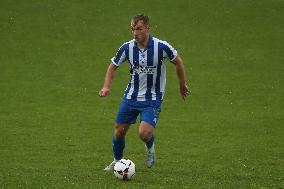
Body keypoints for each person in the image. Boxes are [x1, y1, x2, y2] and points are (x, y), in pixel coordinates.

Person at [99, 13, 190, 171]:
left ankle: (150, 149)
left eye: (139, 28)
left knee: (144, 133)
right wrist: (106, 86)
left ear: (148, 28)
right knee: (119, 131)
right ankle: (117, 161)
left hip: (152, 98)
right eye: (133, 29)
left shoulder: (161, 46)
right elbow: (113, 66)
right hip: (131, 97)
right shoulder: (127, 47)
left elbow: (178, 62)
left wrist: (182, 84)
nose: (135, 33)